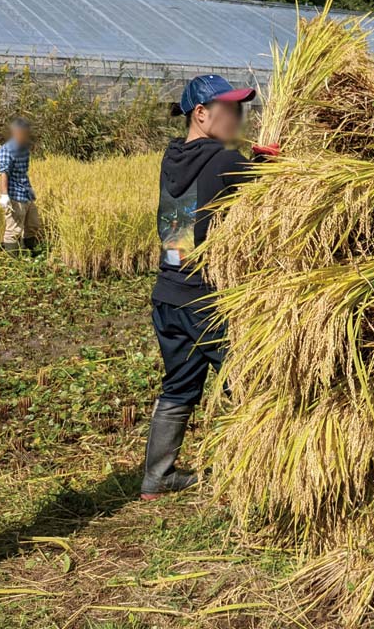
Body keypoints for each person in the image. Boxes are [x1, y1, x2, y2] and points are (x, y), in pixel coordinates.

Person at [142, 74, 277, 500]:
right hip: (205, 300)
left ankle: (157, 477)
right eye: (231, 110)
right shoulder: (223, 159)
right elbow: (273, 188)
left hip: (167, 293)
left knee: (179, 384)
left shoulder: (172, 156)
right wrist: (270, 162)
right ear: (201, 114)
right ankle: (258, 473)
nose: (239, 118)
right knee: (251, 382)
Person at [0, 117, 41, 255]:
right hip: (15, 195)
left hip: (26, 194)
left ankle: (30, 252)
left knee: (33, 225)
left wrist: (30, 189)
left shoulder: (24, 150)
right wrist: (4, 195)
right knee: (14, 230)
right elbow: (4, 172)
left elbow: (23, 173)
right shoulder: (6, 149)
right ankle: (13, 261)